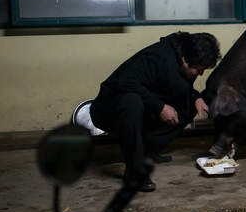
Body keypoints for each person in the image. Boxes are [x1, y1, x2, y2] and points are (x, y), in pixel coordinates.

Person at [90, 31, 221, 192]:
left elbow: (175, 87)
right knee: (131, 101)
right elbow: (127, 83)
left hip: (141, 107)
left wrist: (196, 98)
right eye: (199, 69)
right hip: (108, 110)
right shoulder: (157, 58)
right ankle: (134, 170)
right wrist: (160, 107)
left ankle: (147, 151)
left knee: (189, 106)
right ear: (185, 60)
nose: (200, 74)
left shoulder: (182, 59)